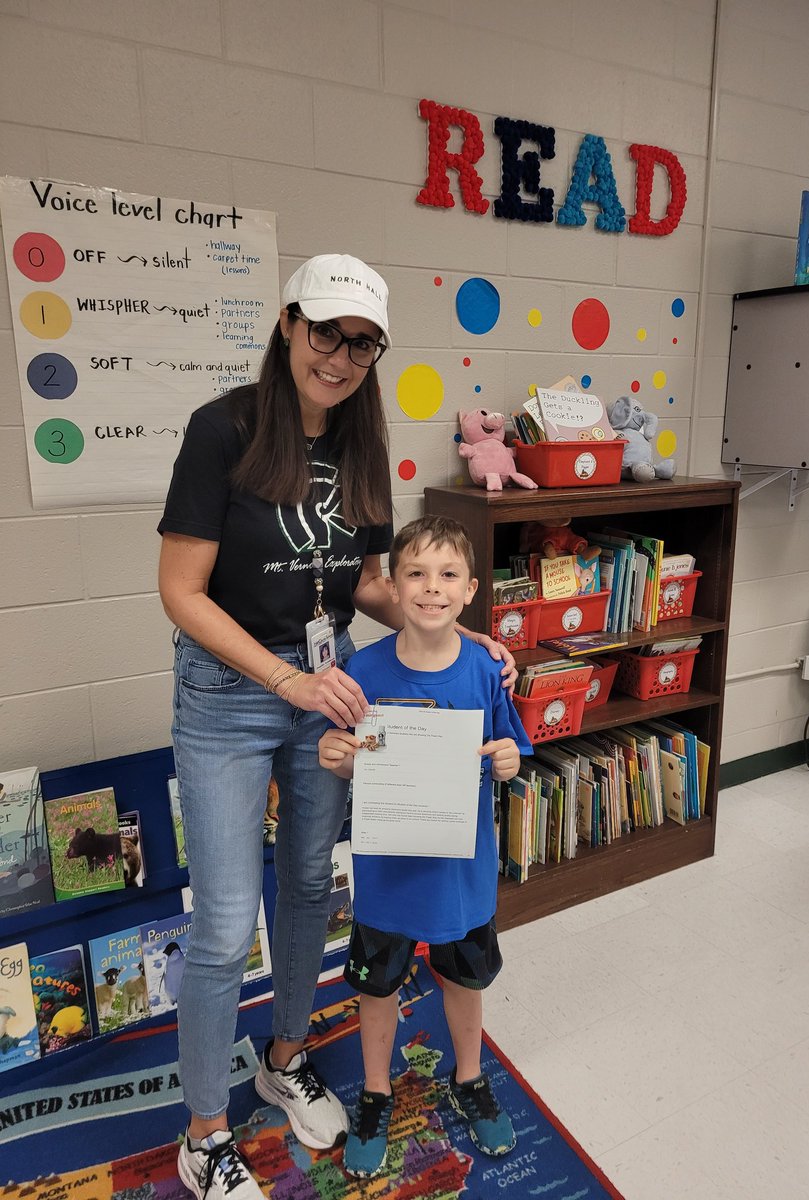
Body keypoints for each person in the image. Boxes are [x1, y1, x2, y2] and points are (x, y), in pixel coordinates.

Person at [157, 257, 515, 1200]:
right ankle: (203, 1133)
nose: (342, 356)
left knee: (312, 885)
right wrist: (286, 679)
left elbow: (362, 582)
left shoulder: (360, 440)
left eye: (363, 342)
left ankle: (283, 1058)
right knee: (228, 926)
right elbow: (179, 591)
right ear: (288, 325)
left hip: (335, 686)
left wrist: (453, 631)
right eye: (326, 332)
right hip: (234, 697)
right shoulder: (223, 429)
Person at [318, 515, 532, 1179]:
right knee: (377, 986)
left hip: (460, 876)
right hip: (387, 873)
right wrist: (339, 758)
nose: (431, 588)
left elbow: (514, 749)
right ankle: (377, 1093)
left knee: (463, 979)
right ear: (393, 584)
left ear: (470, 591)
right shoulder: (364, 667)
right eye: (415, 572)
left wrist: (505, 762)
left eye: (447, 576)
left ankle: (468, 1078)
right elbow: (356, 755)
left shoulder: (484, 670)